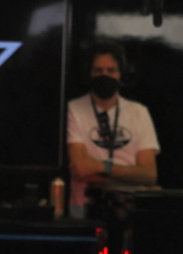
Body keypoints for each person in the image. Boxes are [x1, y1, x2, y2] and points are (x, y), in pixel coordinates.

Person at [65, 38, 159, 219]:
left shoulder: (139, 112)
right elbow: (80, 169)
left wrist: (102, 166)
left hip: (129, 211)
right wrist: (131, 176)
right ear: (89, 74)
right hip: (83, 210)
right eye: (98, 70)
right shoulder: (74, 109)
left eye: (111, 70)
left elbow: (149, 175)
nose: (105, 75)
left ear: (121, 74)